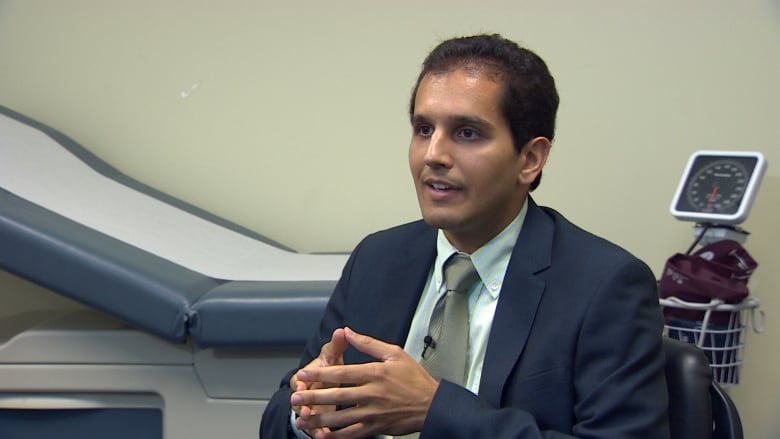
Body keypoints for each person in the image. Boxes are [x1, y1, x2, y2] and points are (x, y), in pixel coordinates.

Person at [260, 33, 669, 439]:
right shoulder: (378, 259)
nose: (433, 154)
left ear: (529, 159)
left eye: (467, 133)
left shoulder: (605, 285)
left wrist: (435, 410)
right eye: (423, 129)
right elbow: (281, 412)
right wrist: (308, 416)